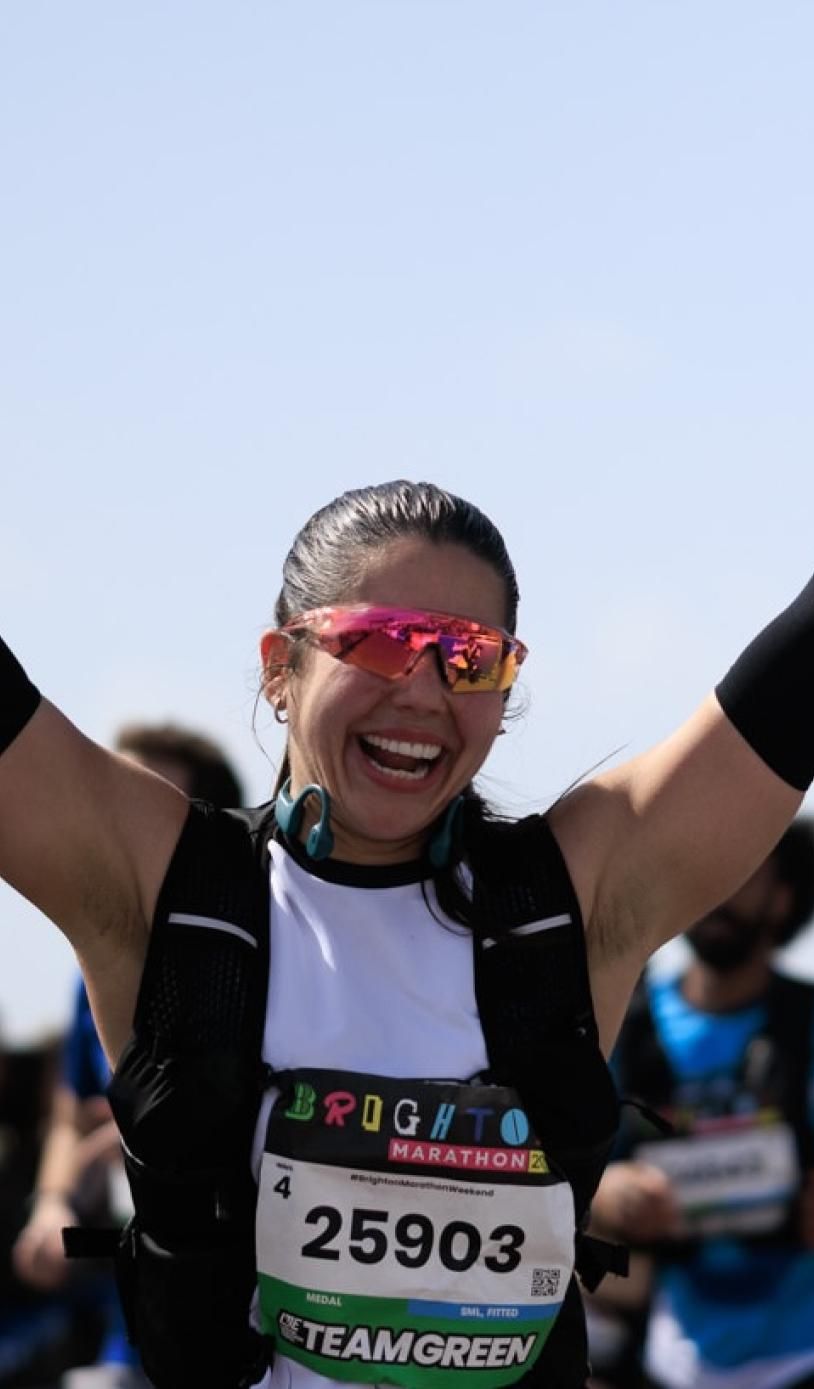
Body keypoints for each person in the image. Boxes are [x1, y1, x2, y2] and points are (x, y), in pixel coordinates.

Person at [0, 477, 812, 1389]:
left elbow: (792, 691)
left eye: (472, 658)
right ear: (280, 663)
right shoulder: (167, 887)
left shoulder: (567, 900)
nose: (424, 692)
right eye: (383, 642)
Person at [11, 722, 244, 1389]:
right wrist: (54, 1200)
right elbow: (68, 1110)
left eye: (147, 796)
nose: (117, 813)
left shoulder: (251, 959)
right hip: (127, 1310)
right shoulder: (89, 971)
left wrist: (122, 1136)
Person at [588, 820, 814, 1389]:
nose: (717, 890)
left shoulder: (805, 1027)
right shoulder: (622, 1021)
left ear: (784, 896)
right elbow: (554, 1172)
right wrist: (608, 1196)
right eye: (704, 873)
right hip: (659, 1354)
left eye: (741, 874)